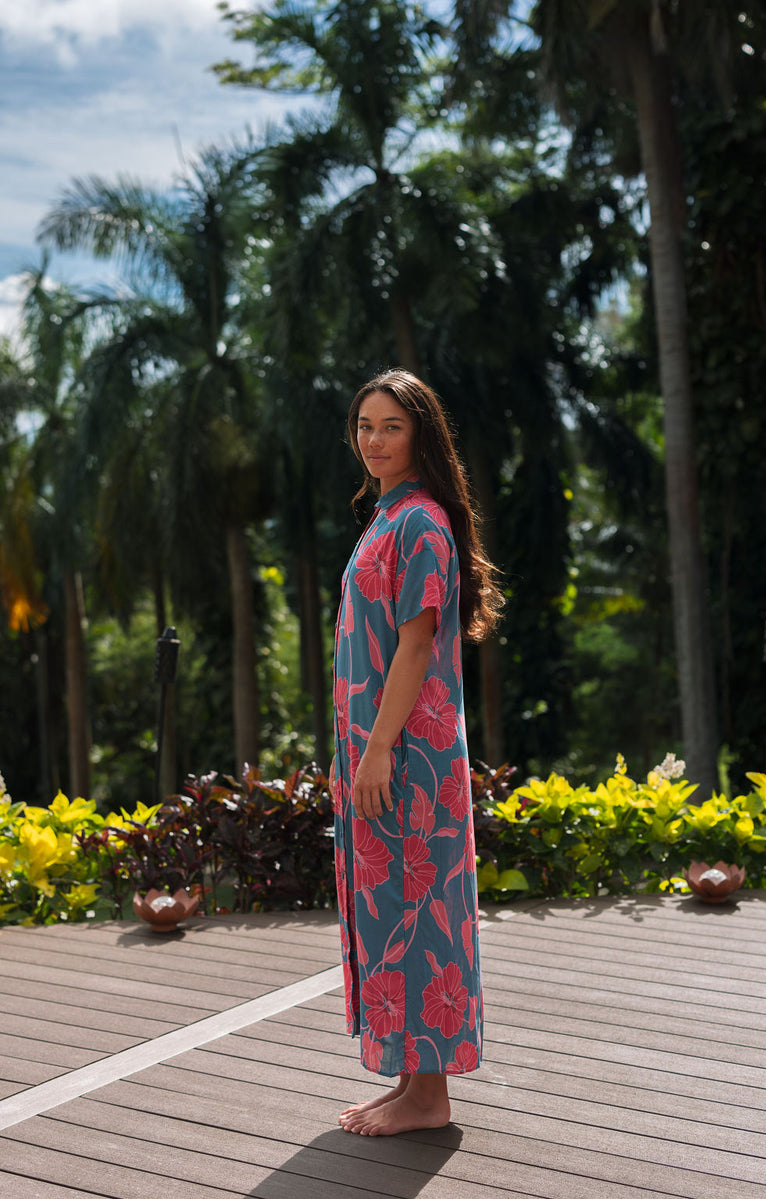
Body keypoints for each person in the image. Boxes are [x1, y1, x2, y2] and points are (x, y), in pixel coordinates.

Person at [331, 368, 503, 1137]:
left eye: (391, 425)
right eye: (365, 425)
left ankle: (430, 1096)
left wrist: (375, 751)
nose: (374, 439)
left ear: (421, 434)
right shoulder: (387, 517)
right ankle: (412, 1081)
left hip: (407, 756)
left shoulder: (422, 523)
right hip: (383, 748)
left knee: (421, 906)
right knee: (398, 905)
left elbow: (416, 642)